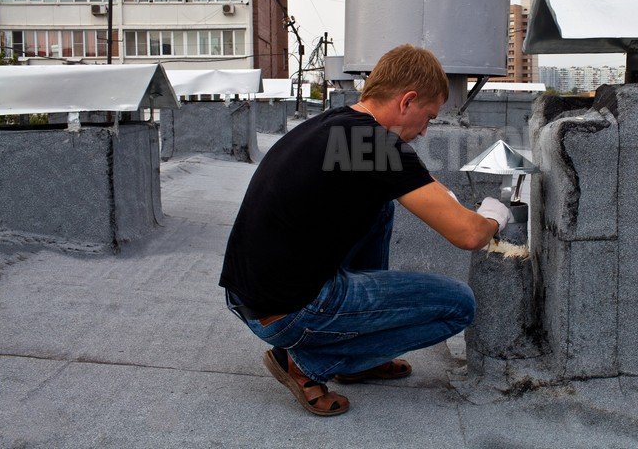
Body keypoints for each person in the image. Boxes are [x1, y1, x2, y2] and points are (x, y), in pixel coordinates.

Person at [219, 44, 511, 416]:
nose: (424, 131)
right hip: (291, 314)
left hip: (251, 298)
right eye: (428, 117)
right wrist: (493, 214)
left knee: (381, 207)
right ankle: (308, 363)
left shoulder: (339, 125)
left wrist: (445, 196)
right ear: (407, 101)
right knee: (458, 305)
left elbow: (412, 178)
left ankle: (360, 356)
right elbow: (468, 235)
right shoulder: (374, 144)